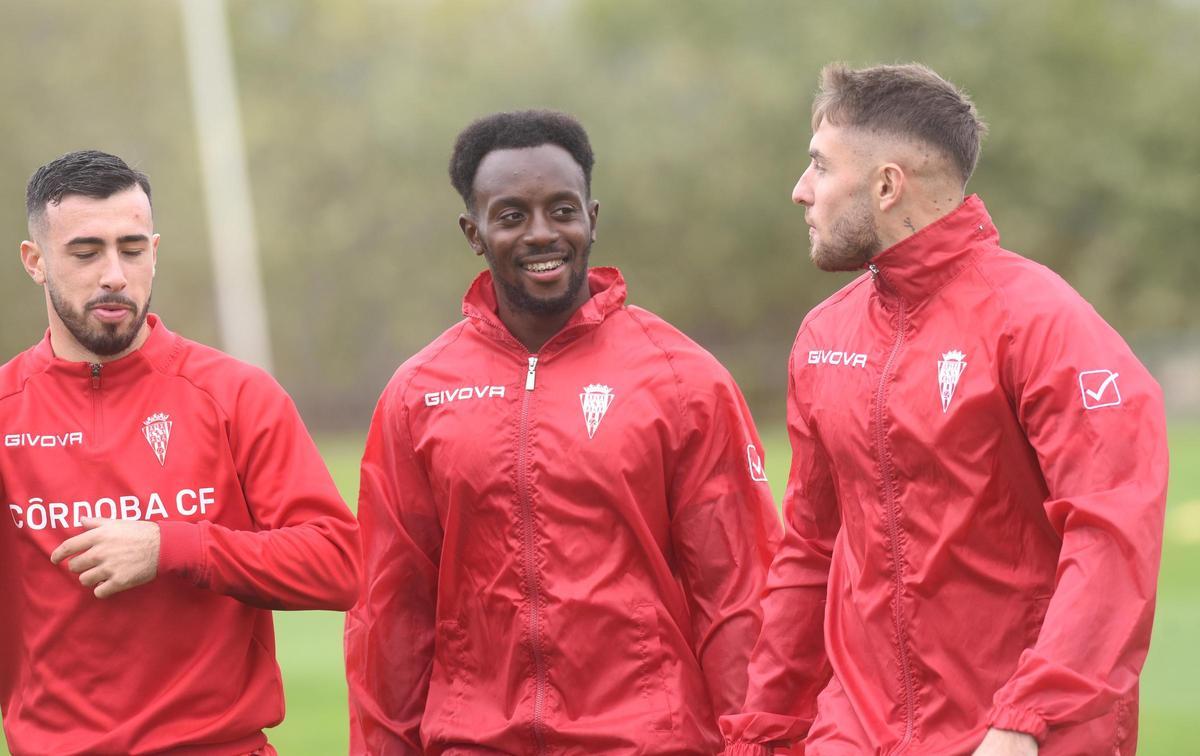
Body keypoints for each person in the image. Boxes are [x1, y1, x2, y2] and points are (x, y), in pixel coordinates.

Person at [720, 64, 1168, 755]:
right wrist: (764, 731)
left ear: (887, 184)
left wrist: (1027, 718)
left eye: (818, 166)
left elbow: (1111, 537)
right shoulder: (824, 337)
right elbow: (810, 554)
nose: (799, 191)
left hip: (1017, 733)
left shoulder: (1042, 323)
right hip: (855, 731)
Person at [345, 109, 781, 754]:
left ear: (593, 219)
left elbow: (739, 595)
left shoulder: (684, 380)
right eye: (512, 215)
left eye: (562, 210)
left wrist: (758, 746)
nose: (542, 234)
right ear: (474, 232)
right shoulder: (418, 393)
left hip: (648, 742)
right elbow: (390, 611)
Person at [0, 150, 360, 755]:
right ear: (35, 262)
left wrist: (175, 545)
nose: (114, 273)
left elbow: (338, 566)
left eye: (132, 250)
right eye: (86, 252)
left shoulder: (236, 394)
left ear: (155, 252)